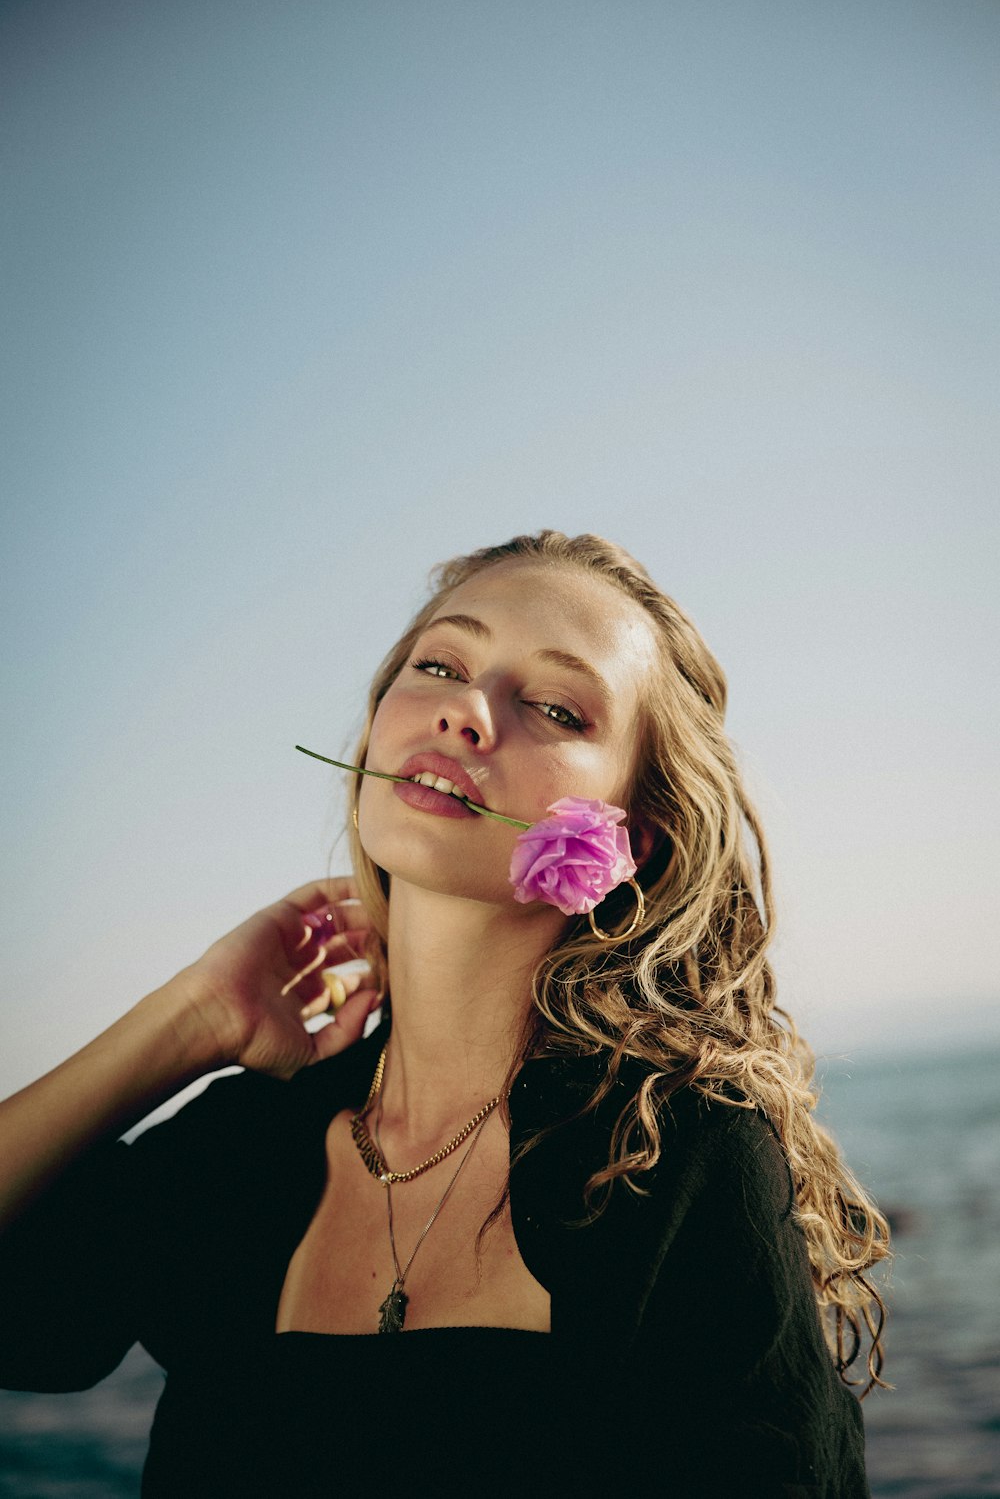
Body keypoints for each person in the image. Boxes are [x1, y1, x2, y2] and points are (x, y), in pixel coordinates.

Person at [0, 531, 889, 1497]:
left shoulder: (675, 1157)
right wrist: (190, 1018)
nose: (467, 711)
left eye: (553, 706)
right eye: (441, 665)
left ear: (631, 837)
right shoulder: (248, 1142)